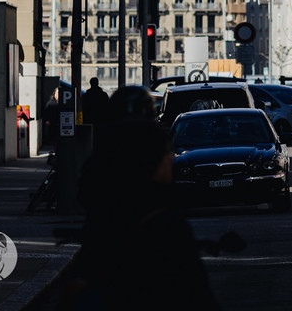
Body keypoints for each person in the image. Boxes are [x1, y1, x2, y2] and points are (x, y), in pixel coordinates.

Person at [69, 117, 221, 311]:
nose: (171, 157)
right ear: (150, 161)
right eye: (166, 152)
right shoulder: (165, 225)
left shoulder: (103, 218)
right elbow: (196, 296)